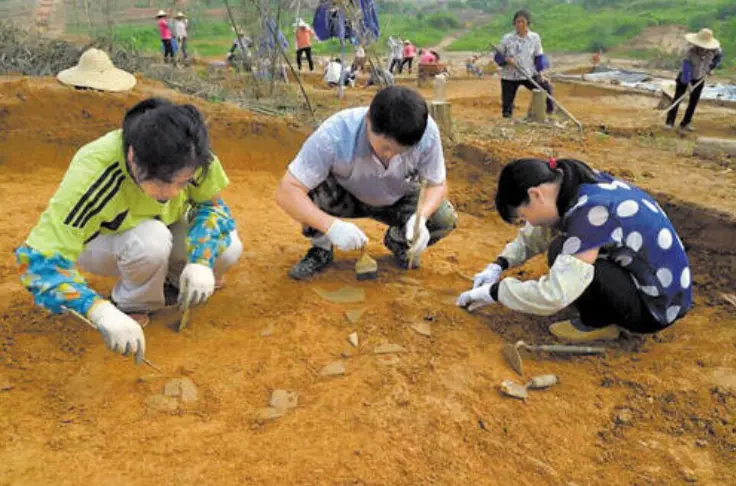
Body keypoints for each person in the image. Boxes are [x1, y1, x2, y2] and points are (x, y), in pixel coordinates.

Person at [15, 98, 243, 364]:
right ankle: (130, 303)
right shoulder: (94, 169)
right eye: (161, 183)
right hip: (107, 241)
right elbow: (38, 260)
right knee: (151, 240)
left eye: (183, 183)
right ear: (133, 157)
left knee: (228, 249)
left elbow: (213, 207)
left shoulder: (193, 156)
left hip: (165, 226)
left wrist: (202, 260)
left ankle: (171, 281)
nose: (170, 193)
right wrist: (97, 310)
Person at [457, 158, 692, 343]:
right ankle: (607, 310)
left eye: (522, 216)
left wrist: (494, 293)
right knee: (562, 247)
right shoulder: (576, 183)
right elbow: (540, 231)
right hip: (663, 291)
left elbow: (555, 295)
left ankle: (598, 324)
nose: (528, 222)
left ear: (534, 194)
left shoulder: (592, 212)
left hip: (654, 309)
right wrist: (500, 264)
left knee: (564, 254)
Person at [275, 86, 457, 280]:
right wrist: (331, 226)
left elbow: (436, 184)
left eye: (401, 151)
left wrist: (421, 218)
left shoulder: (427, 133)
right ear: (368, 120)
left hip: (397, 197)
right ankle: (322, 248)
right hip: (346, 195)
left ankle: (399, 241)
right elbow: (287, 190)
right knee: (309, 187)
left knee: (443, 217)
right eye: (385, 147)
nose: (390, 156)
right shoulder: (335, 134)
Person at [493, 9, 553, 119]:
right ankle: (507, 119)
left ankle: (550, 113)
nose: (520, 24)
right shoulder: (507, 38)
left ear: (528, 23)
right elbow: (497, 57)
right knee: (507, 104)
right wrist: (506, 60)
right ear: (514, 23)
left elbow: (538, 56)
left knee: (545, 88)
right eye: (517, 22)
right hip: (509, 76)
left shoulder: (534, 38)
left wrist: (540, 73)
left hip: (528, 73)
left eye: (522, 22)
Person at [665, 28, 723, 132]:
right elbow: (686, 68)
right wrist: (688, 84)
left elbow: (719, 57)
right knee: (678, 98)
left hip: (700, 78)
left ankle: (685, 123)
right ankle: (669, 122)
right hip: (684, 77)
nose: (702, 47)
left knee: (693, 101)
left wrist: (711, 68)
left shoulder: (714, 50)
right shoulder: (690, 52)